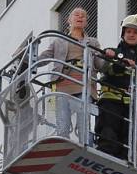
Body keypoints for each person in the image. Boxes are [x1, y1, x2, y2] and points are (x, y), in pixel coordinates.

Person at [96, 14, 137, 159]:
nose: (131, 35)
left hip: (135, 106)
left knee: (131, 136)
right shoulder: (112, 52)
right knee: (109, 131)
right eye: (128, 32)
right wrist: (120, 63)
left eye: (135, 32)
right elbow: (104, 67)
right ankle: (105, 157)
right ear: (123, 33)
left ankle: (127, 162)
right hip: (112, 101)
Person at [39, 8, 103, 138]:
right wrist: (27, 59)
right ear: (69, 20)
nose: (80, 17)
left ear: (86, 22)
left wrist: (111, 59)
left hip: (84, 84)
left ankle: (86, 148)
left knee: (83, 123)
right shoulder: (59, 41)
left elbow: (100, 64)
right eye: (76, 15)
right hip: (63, 84)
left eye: (83, 16)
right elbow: (45, 57)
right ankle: (63, 145)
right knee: (62, 123)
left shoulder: (93, 42)